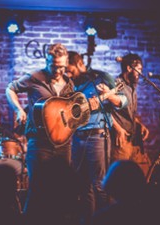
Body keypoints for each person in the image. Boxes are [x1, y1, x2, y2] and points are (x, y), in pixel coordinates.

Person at [5, 43, 76, 224]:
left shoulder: (69, 84)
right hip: (39, 142)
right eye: (54, 65)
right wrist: (19, 110)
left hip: (63, 144)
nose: (58, 70)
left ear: (66, 62)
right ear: (47, 60)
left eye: (61, 66)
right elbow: (10, 89)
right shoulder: (35, 77)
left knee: (61, 191)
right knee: (38, 190)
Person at [66, 51, 127, 225]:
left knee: (100, 184)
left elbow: (123, 100)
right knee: (83, 186)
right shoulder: (70, 84)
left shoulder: (101, 77)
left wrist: (110, 95)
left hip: (97, 136)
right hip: (77, 137)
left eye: (69, 70)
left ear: (79, 64)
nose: (66, 73)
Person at [111, 53, 150, 174]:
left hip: (134, 141)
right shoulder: (116, 84)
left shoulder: (132, 87)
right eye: (138, 70)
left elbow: (129, 114)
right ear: (129, 68)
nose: (140, 73)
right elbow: (103, 110)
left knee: (144, 172)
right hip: (121, 142)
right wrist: (117, 129)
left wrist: (139, 124)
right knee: (118, 180)